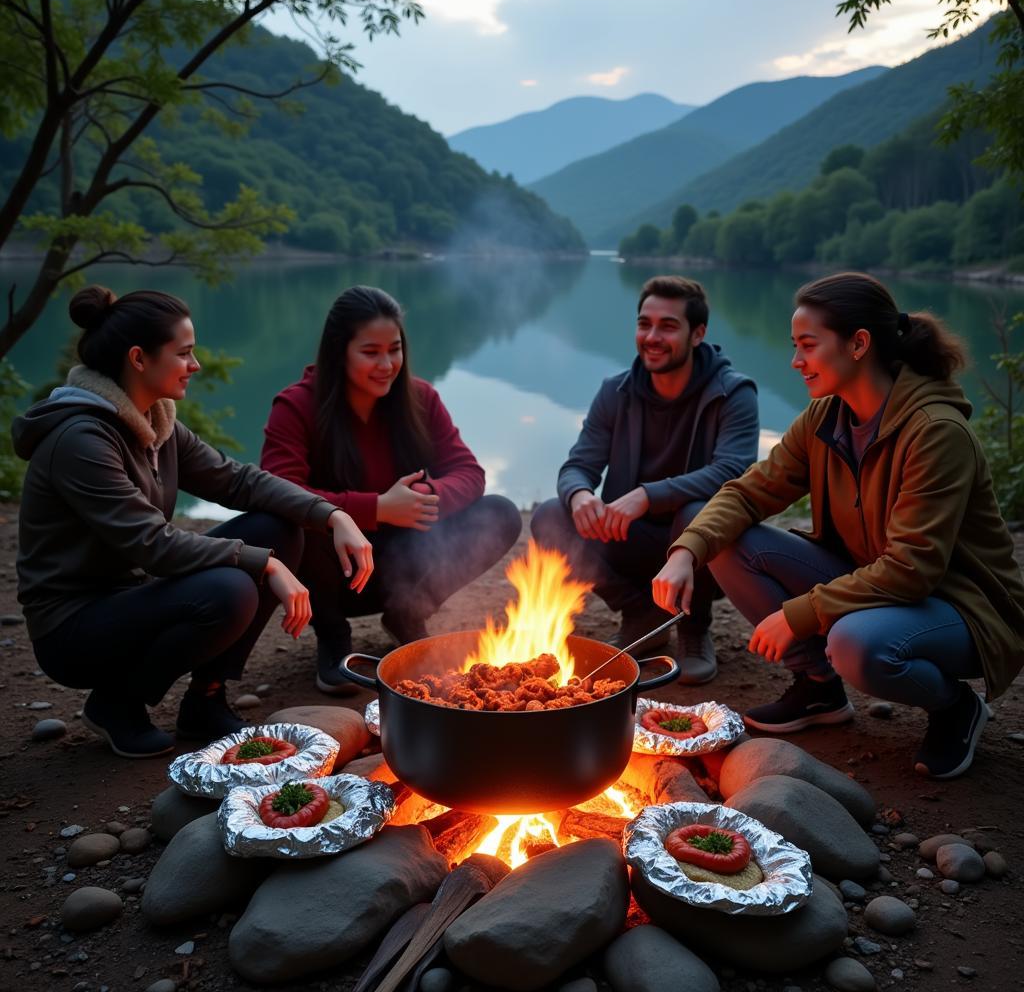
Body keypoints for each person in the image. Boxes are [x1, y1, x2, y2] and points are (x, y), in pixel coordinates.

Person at [653, 271, 1024, 779]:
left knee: (856, 643)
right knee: (720, 533)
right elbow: (748, 491)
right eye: (794, 345)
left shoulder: (936, 433)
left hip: (961, 607)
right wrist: (685, 551)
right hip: (875, 583)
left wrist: (800, 613)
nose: (796, 360)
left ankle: (955, 706)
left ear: (859, 344)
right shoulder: (825, 417)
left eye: (808, 345)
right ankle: (818, 690)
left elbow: (912, 570)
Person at [13, 285, 373, 759]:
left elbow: (239, 481)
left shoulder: (155, 421)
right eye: (184, 353)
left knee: (278, 526)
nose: (196, 364)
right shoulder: (81, 440)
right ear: (139, 359)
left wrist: (331, 514)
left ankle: (205, 700)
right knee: (231, 589)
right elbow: (152, 544)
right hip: (73, 626)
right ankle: (116, 705)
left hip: (131, 592)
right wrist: (264, 565)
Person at [260, 285, 522, 694]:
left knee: (500, 512)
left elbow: (468, 472)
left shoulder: (420, 398)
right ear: (338, 351)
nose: (387, 364)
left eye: (394, 349)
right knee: (285, 523)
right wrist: (377, 508)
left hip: (406, 565)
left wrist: (426, 497)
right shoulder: (296, 406)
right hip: (333, 571)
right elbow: (277, 488)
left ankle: (407, 613)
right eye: (371, 352)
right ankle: (332, 636)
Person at [530, 275, 759, 683]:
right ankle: (640, 613)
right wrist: (580, 494)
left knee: (698, 511)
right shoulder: (615, 391)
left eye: (668, 326)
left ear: (698, 333)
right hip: (627, 539)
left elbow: (733, 473)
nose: (652, 336)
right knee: (551, 514)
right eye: (644, 324)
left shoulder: (734, 393)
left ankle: (692, 626)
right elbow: (577, 465)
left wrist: (648, 496)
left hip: (701, 551)